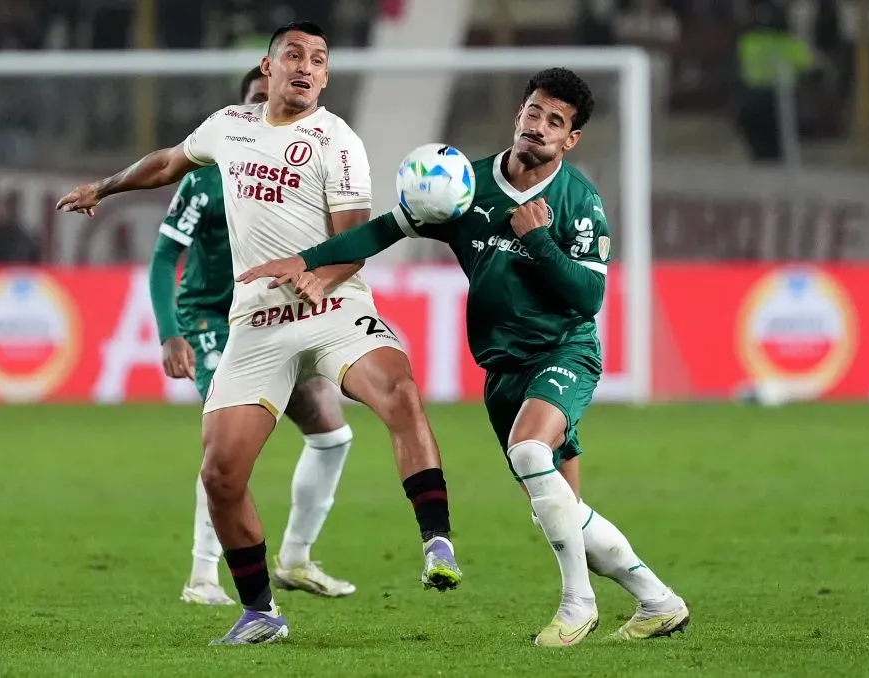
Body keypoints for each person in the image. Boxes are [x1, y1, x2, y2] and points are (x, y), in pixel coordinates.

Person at [238, 68, 690, 648]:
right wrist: (306, 258)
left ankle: (578, 605)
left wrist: (537, 239)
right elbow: (380, 232)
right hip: (502, 372)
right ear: (518, 115)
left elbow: (589, 298)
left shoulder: (579, 200)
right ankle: (659, 601)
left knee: (531, 451)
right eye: (534, 112)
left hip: (564, 353)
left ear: (571, 138)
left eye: (556, 122)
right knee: (563, 511)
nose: (539, 127)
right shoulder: (461, 184)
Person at [56, 21, 461, 646]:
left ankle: (436, 540)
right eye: (293, 55)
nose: (306, 66)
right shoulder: (228, 125)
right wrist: (103, 188)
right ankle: (261, 612)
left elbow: (354, 235)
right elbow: (168, 161)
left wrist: (317, 273)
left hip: (330, 305)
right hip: (256, 321)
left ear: (326, 77)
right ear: (267, 68)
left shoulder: (338, 141)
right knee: (220, 471)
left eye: (319, 59)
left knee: (397, 391)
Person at [148, 66, 355, 606]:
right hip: (212, 318)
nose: (268, 108)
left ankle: (296, 559)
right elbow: (166, 254)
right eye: (256, 100)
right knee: (229, 449)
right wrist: (171, 333)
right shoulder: (205, 177)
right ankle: (201, 576)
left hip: (274, 317)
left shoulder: (307, 169)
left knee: (333, 433)